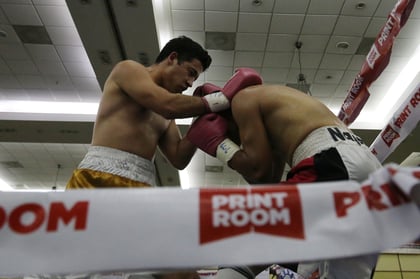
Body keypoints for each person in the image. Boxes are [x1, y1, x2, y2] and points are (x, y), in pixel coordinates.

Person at [186, 84, 383, 279]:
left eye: (228, 134)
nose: (237, 140)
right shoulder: (275, 116)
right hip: (370, 172)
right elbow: (265, 182)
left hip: (334, 162)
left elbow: (256, 169)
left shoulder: (243, 99)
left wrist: (220, 146)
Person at [65, 36, 262, 189]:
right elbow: (166, 105)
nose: (190, 83)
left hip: (142, 183)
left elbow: (178, 158)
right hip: (97, 175)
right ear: (172, 58)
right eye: (191, 72)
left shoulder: (168, 112)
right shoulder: (128, 70)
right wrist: (220, 100)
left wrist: (201, 124)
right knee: (76, 240)